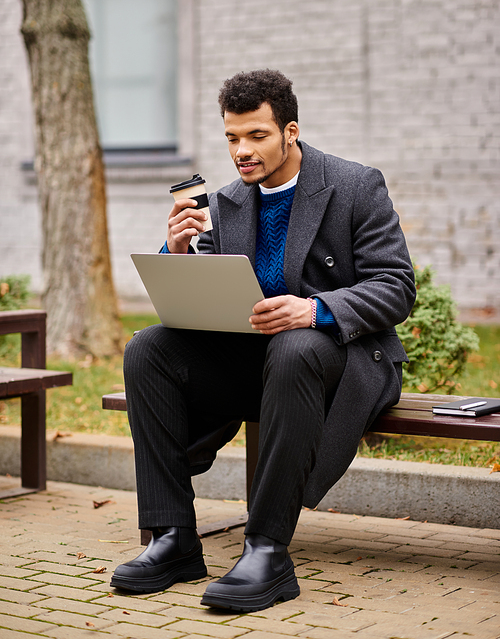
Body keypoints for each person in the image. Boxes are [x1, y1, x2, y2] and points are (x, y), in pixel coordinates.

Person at [111, 69, 416, 612]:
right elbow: (212, 292)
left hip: (339, 356)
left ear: (290, 131)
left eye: (257, 136)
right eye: (232, 137)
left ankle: (267, 550)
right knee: (147, 347)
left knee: (295, 345)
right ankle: (172, 538)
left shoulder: (354, 185)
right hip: (262, 360)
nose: (241, 151)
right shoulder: (228, 201)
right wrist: (177, 252)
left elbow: (395, 286)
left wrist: (315, 308)